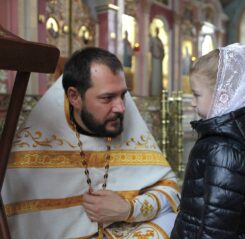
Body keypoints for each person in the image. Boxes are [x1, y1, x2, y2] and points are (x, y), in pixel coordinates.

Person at [2, 47, 180, 239]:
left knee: (172, 222)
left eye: (123, 95)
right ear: (74, 97)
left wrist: (129, 209)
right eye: (107, 98)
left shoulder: (126, 124)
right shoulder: (36, 144)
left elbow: (169, 190)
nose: (121, 108)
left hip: (122, 231)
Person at [171, 43, 245, 239]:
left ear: (222, 96)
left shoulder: (223, 149)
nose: (192, 102)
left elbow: (218, 227)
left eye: (196, 94)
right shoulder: (222, 139)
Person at [150, 27, 165, 96]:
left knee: (159, 77)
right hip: (154, 59)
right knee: (154, 76)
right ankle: (154, 92)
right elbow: (150, 48)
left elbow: (162, 50)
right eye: (156, 30)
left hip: (159, 60)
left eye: (158, 30)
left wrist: (161, 55)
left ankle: (158, 92)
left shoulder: (160, 40)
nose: (157, 32)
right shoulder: (153, 39)